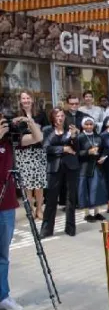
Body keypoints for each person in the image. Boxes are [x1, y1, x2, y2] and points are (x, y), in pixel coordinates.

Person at [0, 111, 40, 310]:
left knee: (3, 254)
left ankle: (3, 296)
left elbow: (37, 138)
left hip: (6, 206)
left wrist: (28, 121)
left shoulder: (10, 143)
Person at [40, 108, 81, 238]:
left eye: (62, 115)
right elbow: (46, 147)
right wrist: (64, 148)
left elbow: (77, 149)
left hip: (71, 166)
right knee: (51, 198)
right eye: (57, 116)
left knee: (71, 198)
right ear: (52, 117)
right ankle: (46, 229)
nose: (60, 118)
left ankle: (70, 228)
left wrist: (74, 137)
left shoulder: (70, 130)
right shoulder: (47, 130)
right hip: (54, 167)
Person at [14, 90, 48, 220]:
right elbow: (17, 134)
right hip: (24, 153)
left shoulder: (40, 114)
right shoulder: (17, 115)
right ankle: (31, 209)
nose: (26, 100)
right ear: (20, 100)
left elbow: (46, 131)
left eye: (28, 98)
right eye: (23, 98)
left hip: (38, 152)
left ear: (32, 99)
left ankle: (39, 208)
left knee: (39, 184)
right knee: (27, 185)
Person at [77, 117, 107, 222]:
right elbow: (77, 153)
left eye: (91, 124)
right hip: (84, 167)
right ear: (83, 125)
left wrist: (103, 157)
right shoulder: (79, 137)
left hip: (96, 166)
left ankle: (97, 212)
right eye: (87, 124)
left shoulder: (98, 137)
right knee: (85, 190)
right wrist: (88, 152)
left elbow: (103, 149)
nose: (89, 126)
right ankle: (87, 213)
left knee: (96, 189)